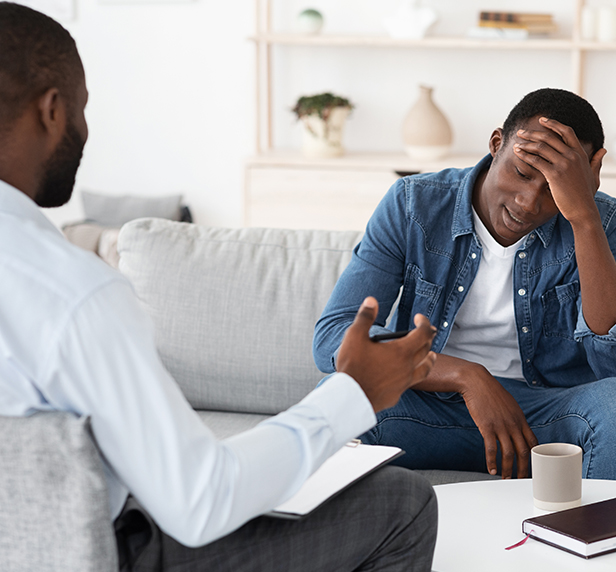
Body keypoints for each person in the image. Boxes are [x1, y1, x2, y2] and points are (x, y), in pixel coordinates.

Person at [0, 3, 439, 571]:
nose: (84, 130)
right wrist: (352, 391)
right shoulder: (71, 295)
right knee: (401, 503)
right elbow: (200, 500)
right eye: (82, 109)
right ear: (52, 110)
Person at [314, 87, 616, 481]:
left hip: (547, 417)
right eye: (522, 173)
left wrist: (584, 218)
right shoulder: (414, 204)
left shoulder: (602, 224)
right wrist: (467, 377)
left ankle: (581, 541)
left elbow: (609, 363)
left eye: (554, 189)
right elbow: (334, 340)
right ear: (496, 144)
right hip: (430, 405)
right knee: (335, 398)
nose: (527, 202)